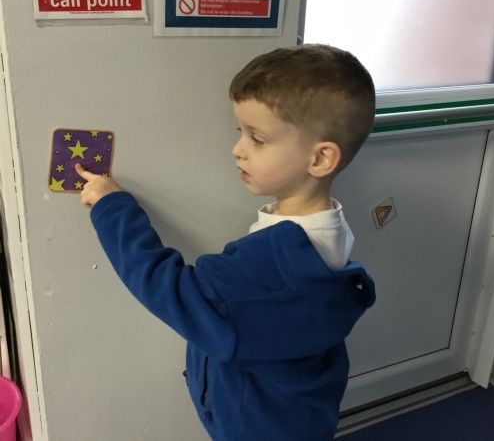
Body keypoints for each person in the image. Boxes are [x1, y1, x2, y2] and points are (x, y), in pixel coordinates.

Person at [75, 44, 376, 441]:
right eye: (240, 133)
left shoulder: (272, 266)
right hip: (295, 416)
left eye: (257, 138)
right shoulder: (328, 228)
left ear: (319, 159)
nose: (238, 150)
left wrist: (111, 206)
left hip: (253, 429)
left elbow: (169, 289)